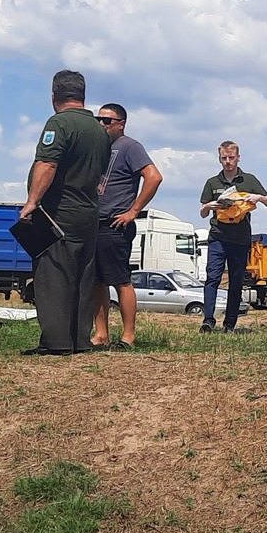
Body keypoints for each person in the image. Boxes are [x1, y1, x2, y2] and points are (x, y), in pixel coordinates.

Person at [20, 70, 110, 355]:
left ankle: (56, 342)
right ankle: (79, 340)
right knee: (83, 277)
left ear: (54, 96)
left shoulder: (59, 123)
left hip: (59, 211)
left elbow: (47, 164)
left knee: (54, 275)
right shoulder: (100, 129)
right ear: (82, 95)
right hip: (88, 212)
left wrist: (32, 201)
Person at [92, 103, 162, 350]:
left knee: (121, 280)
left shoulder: (130, 146)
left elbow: (154, 177)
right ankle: (101, 334)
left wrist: (133, 211)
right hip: (94, 223)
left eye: (107, 121)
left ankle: (128, 335)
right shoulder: (98, 147)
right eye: (98, 119)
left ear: (121, 124)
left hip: (115, 224)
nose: (102, 124)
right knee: (97, 281)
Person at [197, 140, 267, 332]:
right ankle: (208, 320)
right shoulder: (212, 182)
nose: (228, 161)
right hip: (218, 236)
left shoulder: (249, 180)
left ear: (238, 158)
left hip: (240, 239)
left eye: (231, 158)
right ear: (219, 159)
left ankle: (230, 323)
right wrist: (208, 206)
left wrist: (259, 198)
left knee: (236, 281)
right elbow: (203, 212)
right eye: (224, 158)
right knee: (212, 278)